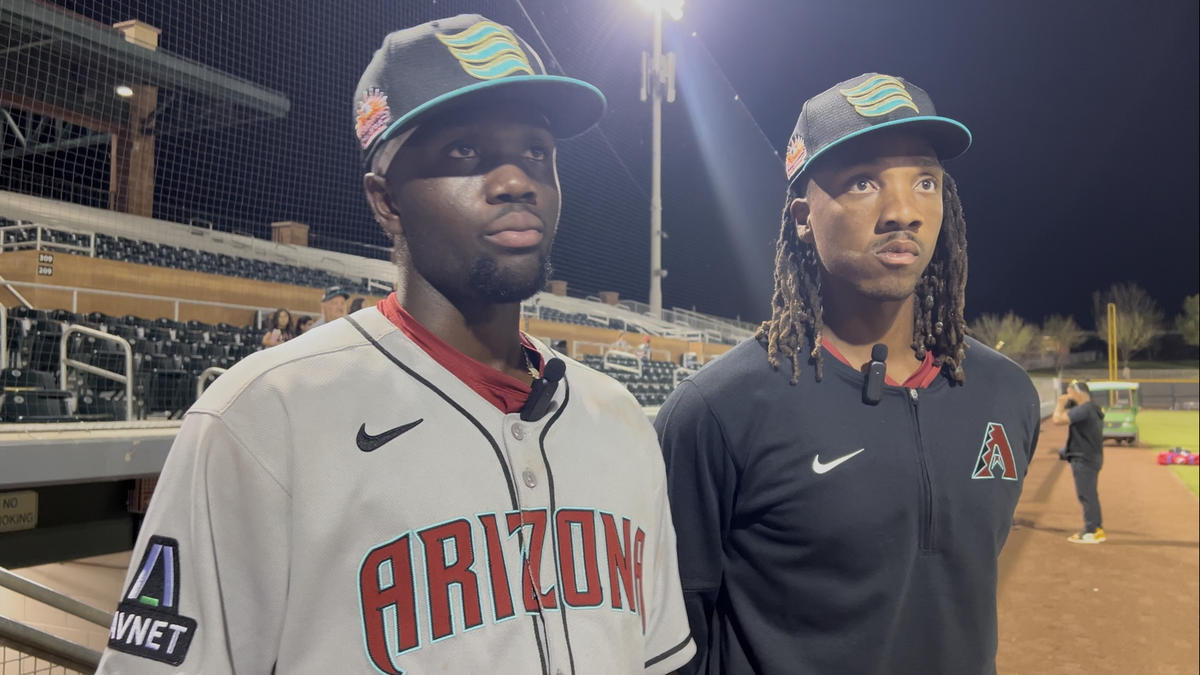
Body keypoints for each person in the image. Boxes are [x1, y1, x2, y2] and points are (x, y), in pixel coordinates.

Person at [97, 15, 693, 674]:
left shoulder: (622, 423)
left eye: (536, 151)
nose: (517, 180)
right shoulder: (260, 421)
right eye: (464, 151)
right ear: (385, 201)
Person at [655, 73, 1041, 675]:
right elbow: (673, 638)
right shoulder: (718, 411)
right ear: (803, 217)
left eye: (924, 181)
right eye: (863, 182)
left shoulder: (1004, 392)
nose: (902, 212)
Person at [1053, 380, 1106, 543]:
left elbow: (1058, 420)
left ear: (1076, 393)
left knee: (1087, 495)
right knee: (1088, 494)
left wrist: (1060, 404)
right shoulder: (1092, 409)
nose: (1068, 396)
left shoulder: (1085, 409)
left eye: (1069, 392)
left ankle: (1093, 530)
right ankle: (1094, 528)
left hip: (1084, 458)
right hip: (1090, 457)